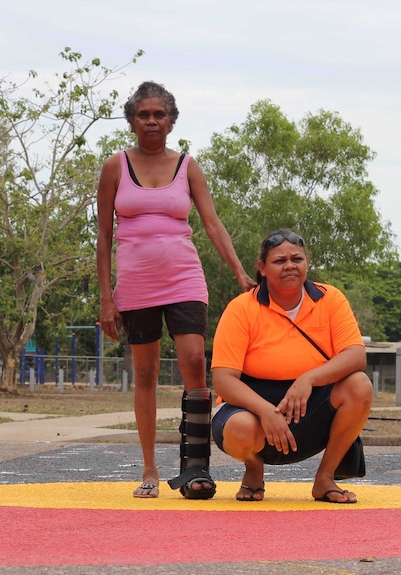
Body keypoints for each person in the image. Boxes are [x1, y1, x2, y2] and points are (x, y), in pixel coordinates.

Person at [96, 81, 255, 500]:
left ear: (171, 121)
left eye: (159, 114)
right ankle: (149, 468)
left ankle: (195, 465)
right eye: (144, 114)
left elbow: (212, 223)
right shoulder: (115, 167)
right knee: (145, 374)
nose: (152, 121)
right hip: (135, 284)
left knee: (193, 366)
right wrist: (105, 297)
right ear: (132, 121)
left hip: (183, 277)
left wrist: (239, 271)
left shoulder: (187, 166)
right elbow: (102, 237)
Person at [210, 229, 373, 504]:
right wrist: (265, 411)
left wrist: (308, 379)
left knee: (359, 385)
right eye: (279, 260)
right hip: (253, 409)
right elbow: (224, 380)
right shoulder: (240, 308)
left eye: (297, 259)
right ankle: (253, 469)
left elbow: (356, 355)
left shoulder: (330, 298)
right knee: (239, 428)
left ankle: (325, 479)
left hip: (310, 407)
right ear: (262, 268)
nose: (290, 265)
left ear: (306, 263)